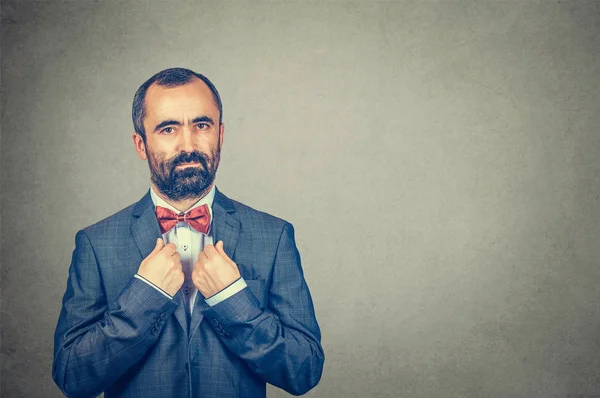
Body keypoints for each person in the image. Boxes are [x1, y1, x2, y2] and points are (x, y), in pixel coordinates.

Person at [52, 67, 324, 398]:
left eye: (202, 125)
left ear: (221, 135)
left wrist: (232, 299)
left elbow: (304, 370)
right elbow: (72, 376)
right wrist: (146, 295)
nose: (188, 144)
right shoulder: (96, 244)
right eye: (168, 129)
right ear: (141, 144)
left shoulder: (274, 236)